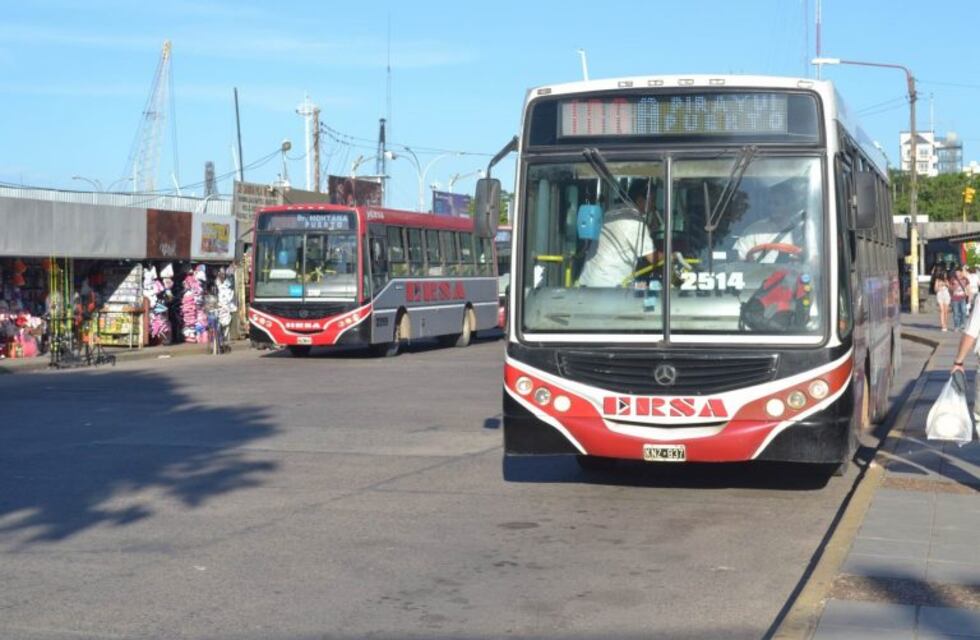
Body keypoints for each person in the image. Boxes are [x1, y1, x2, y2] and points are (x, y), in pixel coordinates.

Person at [578, 179, 661, 287]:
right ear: (640, 200)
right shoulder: (635, 222)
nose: (654, 205)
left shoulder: (612, 211)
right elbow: (652, 258)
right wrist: (673, 256)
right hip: (609, 286)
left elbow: (625, 235)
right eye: (652, 200)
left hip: (587, 281)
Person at [734, 179, 806, 263]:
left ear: (789, 205)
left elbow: (810, 262)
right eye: (769, 203)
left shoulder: (799, 234)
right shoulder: (754, 231)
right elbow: (738, 260)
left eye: (777, 204)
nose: (772, 207)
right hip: (758, 275)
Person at [949, 267, 970, 331]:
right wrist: (954, 287)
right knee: (956, 313)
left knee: (963, 311)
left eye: (958, 272)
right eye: (956, 272)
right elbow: (950, 288)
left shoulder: (965, 279)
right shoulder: (953, 279)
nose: (957, 273)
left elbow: (968, 288)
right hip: (955, 298)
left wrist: (968, 296)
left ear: (961, 272)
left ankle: (962, 325)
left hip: (963, 298)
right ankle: (956, 326)